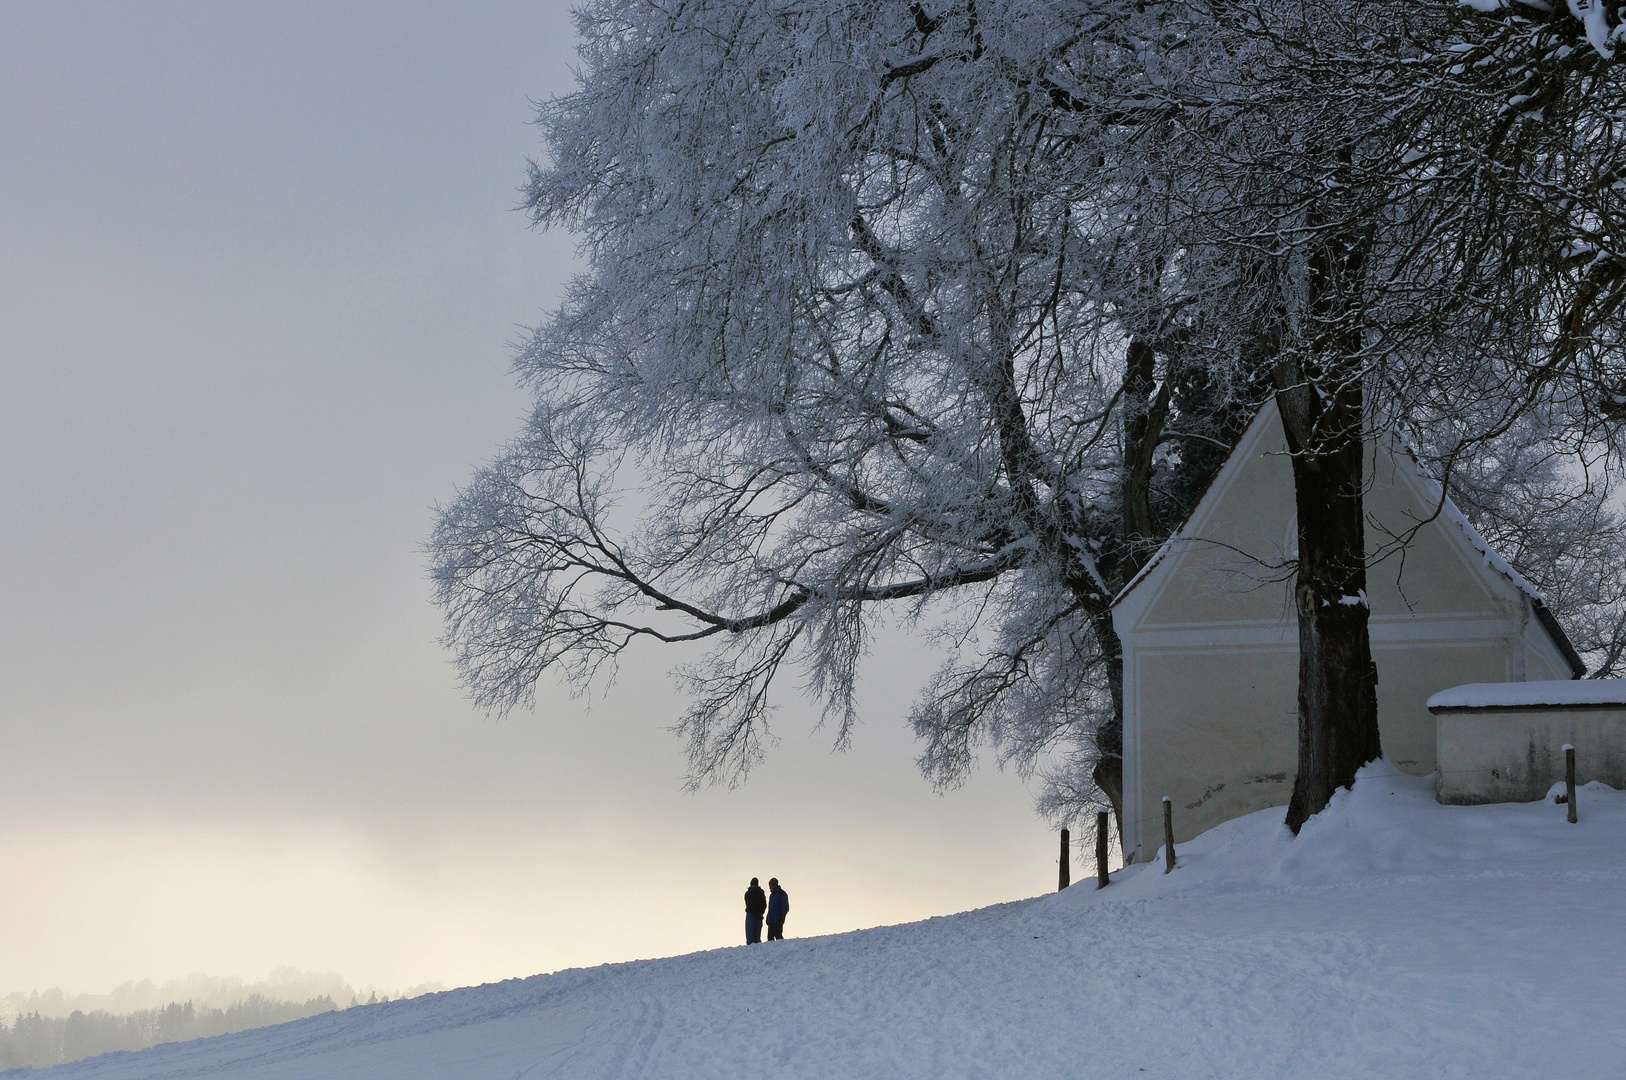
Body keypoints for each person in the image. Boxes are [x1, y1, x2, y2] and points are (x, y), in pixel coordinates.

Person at [744, 877, 766, 944]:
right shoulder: (761, 893)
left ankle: (751, 949)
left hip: (751, 915)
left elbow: (748, 904)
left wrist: (753, 912)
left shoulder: (748, 893)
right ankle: (757, 949)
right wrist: (760, 913)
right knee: (757, 935)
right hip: (759, 916)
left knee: (750, 935)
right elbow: (764, 905)